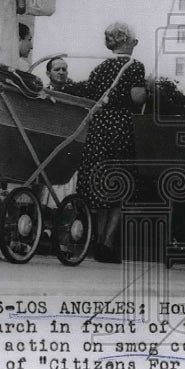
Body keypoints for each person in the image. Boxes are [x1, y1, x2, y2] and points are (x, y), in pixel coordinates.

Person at [75, 22, 146, 263]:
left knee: (100, 187)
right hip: (119, 127)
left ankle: (96, 241)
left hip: (97, 128)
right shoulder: (134, 66)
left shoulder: (100, 67)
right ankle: (108, 242)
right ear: (128, 41)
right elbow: (136, 97)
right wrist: (149, 90)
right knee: (119, 184)